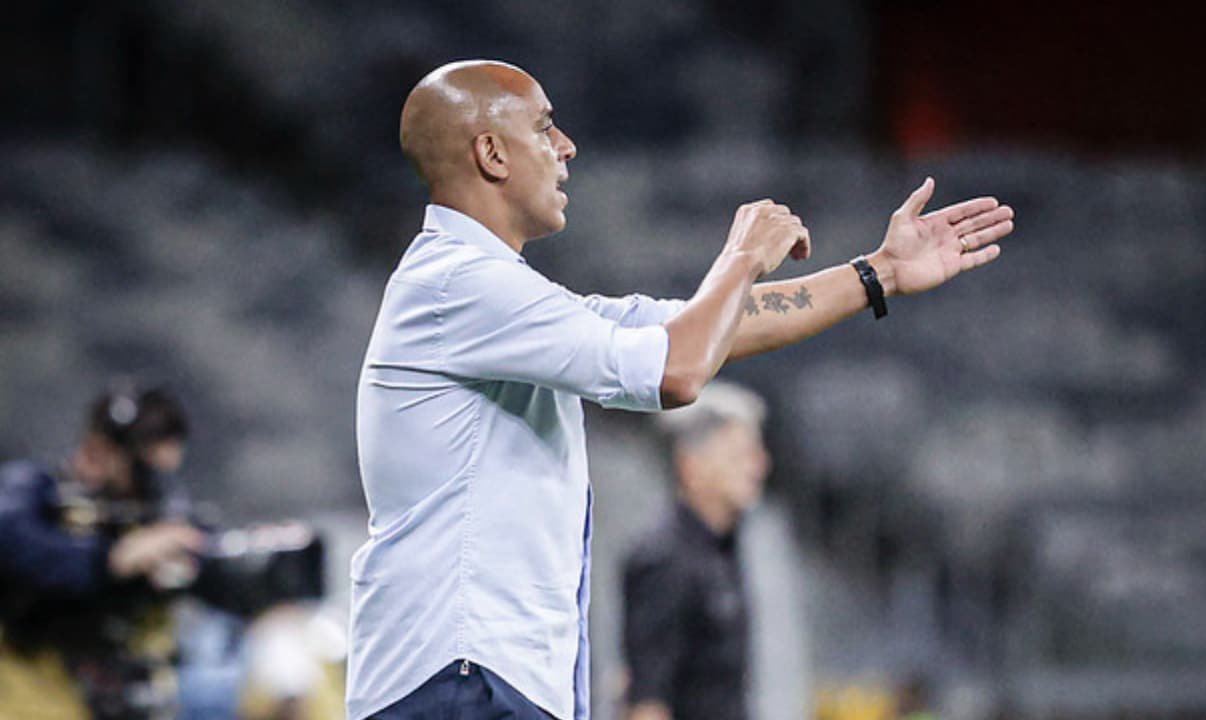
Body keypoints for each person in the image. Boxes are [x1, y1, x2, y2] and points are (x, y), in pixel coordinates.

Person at [348, 58, 1014, 720]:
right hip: (457, 682)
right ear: (491, 152)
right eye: (545, 126)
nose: (566, 146)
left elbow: (698, 329)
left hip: (485, 681)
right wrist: (743, 256)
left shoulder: (499, 294)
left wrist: (880, 273)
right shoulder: (458, 285)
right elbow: (678, 369)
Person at [0, 385, 205, 720]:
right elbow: (10, 539)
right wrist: (110, 559)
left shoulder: (162, 517)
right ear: (100, 452)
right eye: (144, 469)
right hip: (32, 692)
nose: (154, 484)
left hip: (128, 697)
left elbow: (208, 562)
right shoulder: (35, 490)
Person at [621, 381, 770, 720]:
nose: (758, 467)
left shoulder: (723, 550)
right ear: (690, 467)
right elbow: (647, 700)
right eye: (739, 455)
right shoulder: (664, 558)